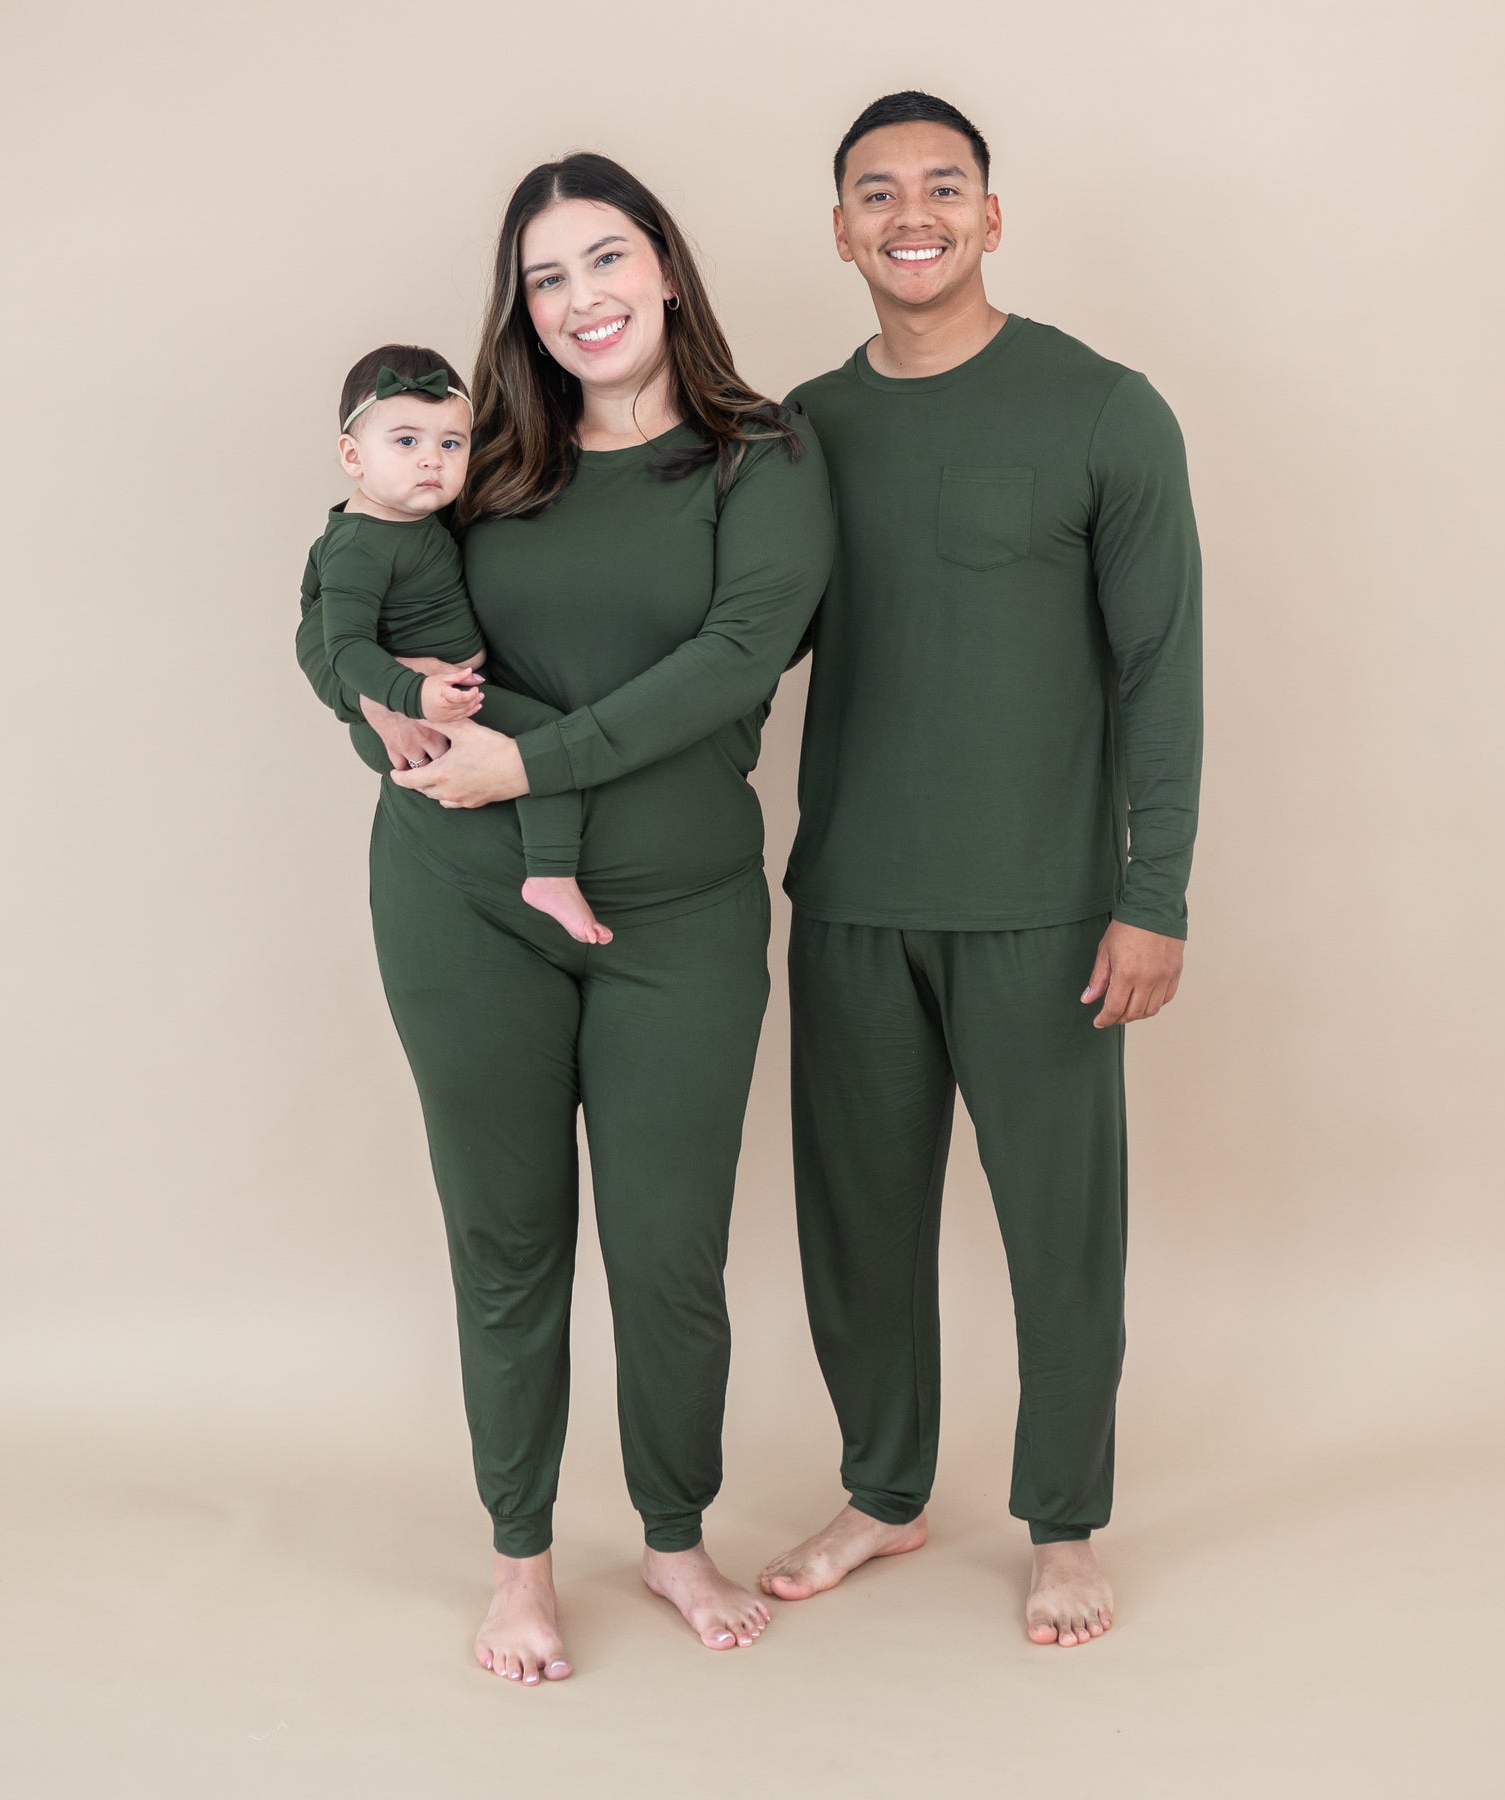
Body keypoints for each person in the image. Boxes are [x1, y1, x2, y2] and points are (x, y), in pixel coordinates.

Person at [295, 153, 834, 1684]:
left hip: (682, 914)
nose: (582, 299)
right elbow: (354, 623)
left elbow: (740, 659)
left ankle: (673, 1537)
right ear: (518, 308)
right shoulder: (479, 463)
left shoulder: (763, 454)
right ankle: (520, 1563)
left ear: (665, 266)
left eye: (606, 259)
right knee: (509, 1245)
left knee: (670, 1251)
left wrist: (529, 758)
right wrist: (392, 733)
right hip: (465, 906)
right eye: (546, 276)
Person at [758, 92, 1204, 1651]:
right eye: (876, 191)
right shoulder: (801, 431)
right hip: (851, 904)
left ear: (991, 216)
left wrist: (1157, 893)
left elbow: (1163, 669)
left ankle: (1064, 1526)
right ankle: (886, 1493)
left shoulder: (1104, 410)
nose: (911, 212)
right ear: (841, 230)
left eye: (942, 185)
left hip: (1048, 913)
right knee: (857, 1230)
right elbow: (734, 652)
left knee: (1061, 1236)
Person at [302, 344, 606, 944]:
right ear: (352, 456)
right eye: (406, 441)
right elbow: (344, 646)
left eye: (451, 443)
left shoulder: (422, 517)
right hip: (423, 701)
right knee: (549, 742)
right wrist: (411, 697)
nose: (432, 462)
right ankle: (550, 874)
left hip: (448, 688)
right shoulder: (358, 547)